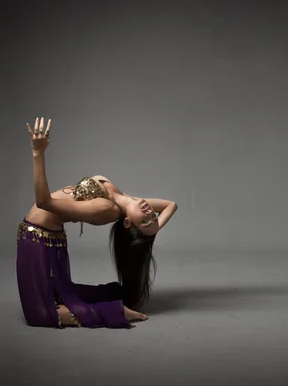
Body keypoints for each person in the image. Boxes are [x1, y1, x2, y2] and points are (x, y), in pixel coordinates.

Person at [16, 117, 178, 329]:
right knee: (61, 292)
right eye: (152, 216)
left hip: (36, 239)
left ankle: (116, 311)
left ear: (127, 223)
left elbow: (44, 202)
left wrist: (38, 153)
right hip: (46, 237)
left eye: (145, 221)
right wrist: (153, 228)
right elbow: (171, 205)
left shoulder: (106, 209)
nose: (150, 213)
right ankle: (112, 295)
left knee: (39, 314)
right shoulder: (121, 198)